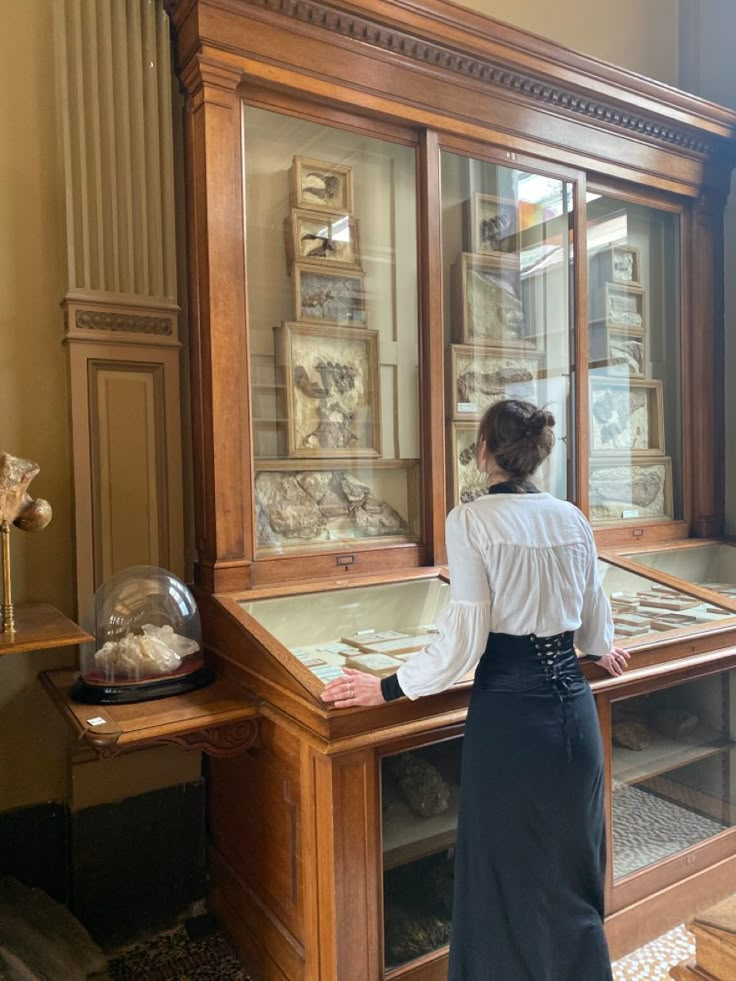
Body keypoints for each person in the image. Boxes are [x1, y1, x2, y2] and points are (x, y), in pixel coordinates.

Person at [321, 398, 629, 981]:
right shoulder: (573, 518)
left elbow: (464, 638)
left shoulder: (469, 521)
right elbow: (592, 624)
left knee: (500, 874)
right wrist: (598, 651)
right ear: (539, 454)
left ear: (484, 451)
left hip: (510, 720)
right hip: (574, 715)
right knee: (572, 870)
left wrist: (385, 687)